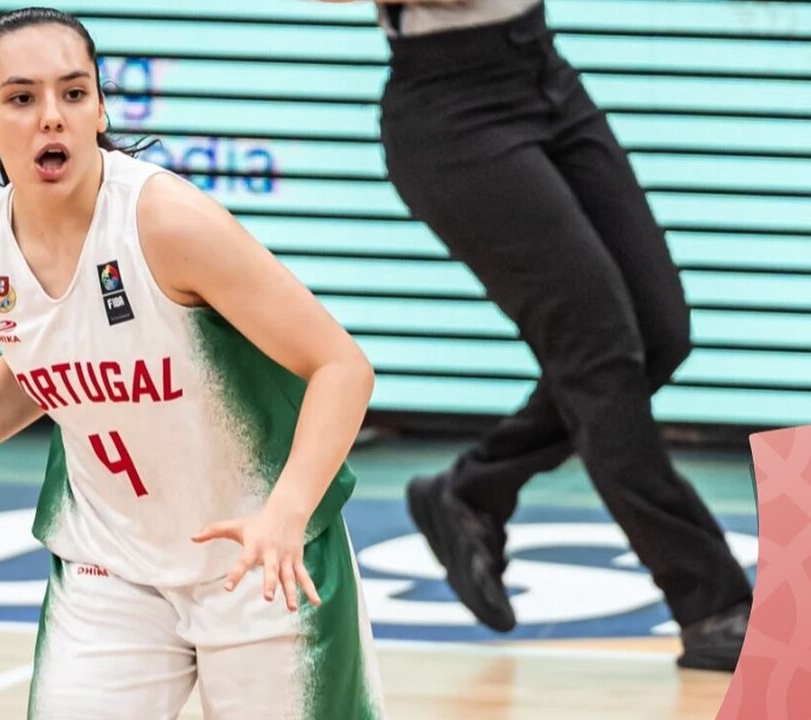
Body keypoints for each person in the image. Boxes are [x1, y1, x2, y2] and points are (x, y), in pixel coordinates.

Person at [0, 7, 386, 718]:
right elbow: (30, 375)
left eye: (73, 92)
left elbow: (341, 366)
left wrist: (286, 512)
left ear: (99, 108)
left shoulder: (165, 223)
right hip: (110, 564)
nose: (51, 117)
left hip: (256, 558)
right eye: (21, 98)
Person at [320, 0, 752, 671]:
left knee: (659, 331)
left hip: (539, 67)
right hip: (450, 109)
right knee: (599, 356)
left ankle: (472, 490)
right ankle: (711, 604)